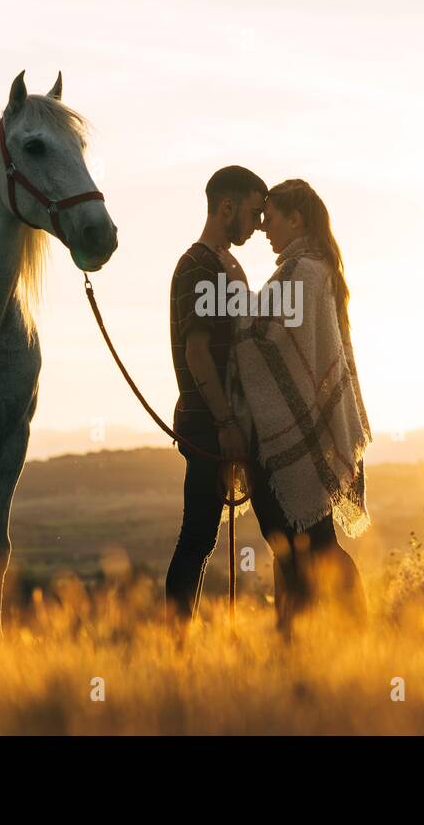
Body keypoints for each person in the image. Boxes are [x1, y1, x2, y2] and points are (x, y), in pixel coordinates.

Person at [225, 179, 372, 634]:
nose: (264, 227)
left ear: (297, 219)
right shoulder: (312, 268)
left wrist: (231, 292)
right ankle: (307, 638)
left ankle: (327, 635)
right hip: (308, 433)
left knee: (306, 544)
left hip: (294, 439)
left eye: (271, 217)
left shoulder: (304, 272)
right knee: (303, 544)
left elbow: (256, 337)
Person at [165, 165, 267, 624]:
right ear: (226, 207)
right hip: (211, 424)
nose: (259, 223)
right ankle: (174, 647)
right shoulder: (200, 266)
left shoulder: (218, 263)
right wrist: (227, 422)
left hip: (217, 421)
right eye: (253, 211)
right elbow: (198, 351)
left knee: (201, 537)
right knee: (197, 537)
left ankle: (176, 645)